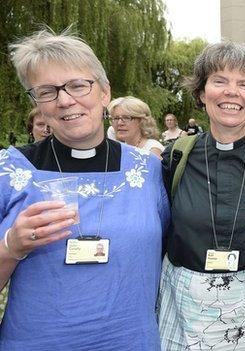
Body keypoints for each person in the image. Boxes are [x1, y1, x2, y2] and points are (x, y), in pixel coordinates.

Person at [0, 29, 170, 350]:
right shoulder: (9, 171)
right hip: (37, 342)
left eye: (78, 85)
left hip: (130, 341)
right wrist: (11, 246)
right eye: (47, 91)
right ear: (37, 104)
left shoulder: (146, 170)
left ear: (104, 93)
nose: (65, 100)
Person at [158, 40, 245, 351]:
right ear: (202, 93)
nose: (231, 92)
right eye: (219, 81)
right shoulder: (175, 157)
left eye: (244, 84)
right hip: (183, 304)